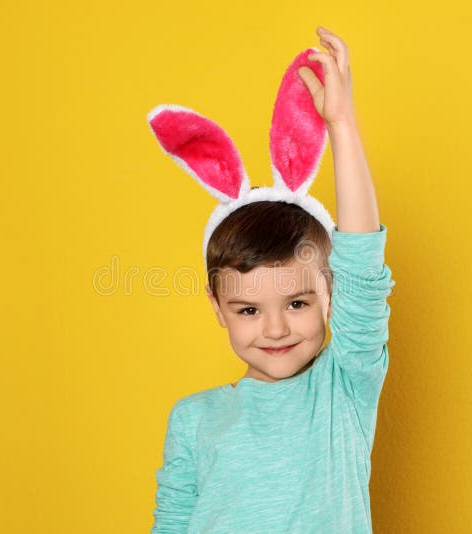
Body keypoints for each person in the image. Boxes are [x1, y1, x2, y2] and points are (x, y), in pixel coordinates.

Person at [147, 26, 396, 533]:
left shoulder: (343, 387)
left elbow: (363, 264)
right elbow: (171, 522)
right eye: (248, 310)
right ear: (218, 307)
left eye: (298, 303)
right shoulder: (193, 420)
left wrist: (342, 125)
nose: (276, 329)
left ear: (332, 294)